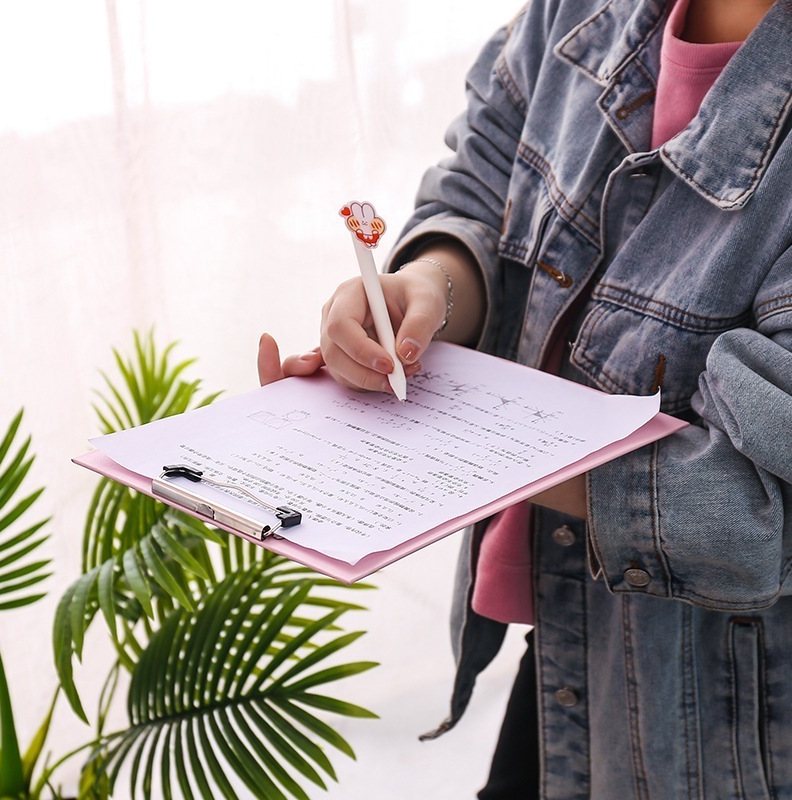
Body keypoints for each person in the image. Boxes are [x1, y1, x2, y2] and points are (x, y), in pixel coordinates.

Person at [259, 0, 792, 796]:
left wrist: (466, 443)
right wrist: (424, 287)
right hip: (572, 658)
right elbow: (477, 186)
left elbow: (760, 506)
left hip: (732, 731)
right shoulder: (577, 13)